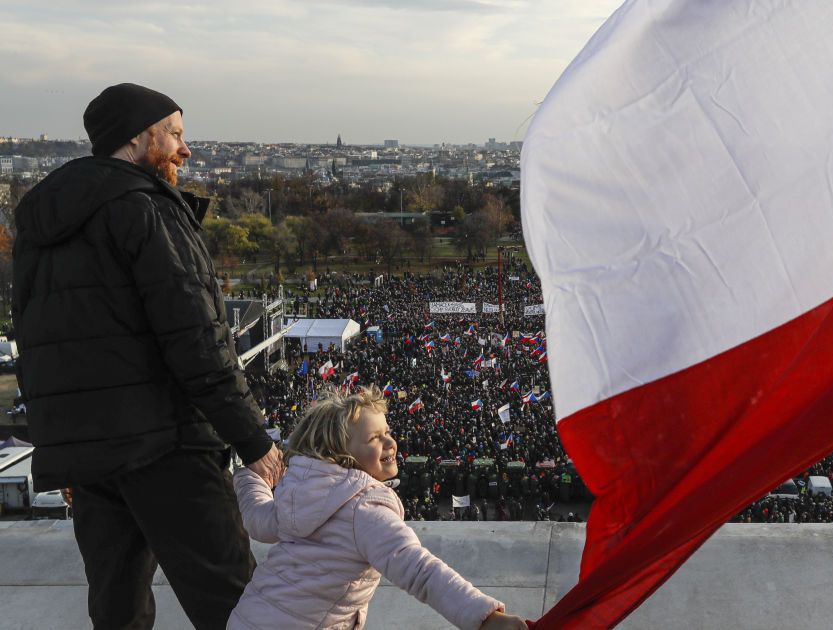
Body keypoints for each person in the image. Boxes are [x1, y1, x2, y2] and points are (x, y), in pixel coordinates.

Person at [11, 83, 285, 629]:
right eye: (176, 135)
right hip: (166, 442)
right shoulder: (144, 208)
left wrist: (68, 446)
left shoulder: (41, 223)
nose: (187, 150)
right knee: (237, 605)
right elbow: (198, 337)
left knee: (117, 607)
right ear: (137, 138)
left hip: (93, 454)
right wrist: (254, 441)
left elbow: (40, 347)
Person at [230, 386, 527, 630]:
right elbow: (420, 570)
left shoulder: (297, 492)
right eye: (375, 438)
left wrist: (248, 476)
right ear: (340, 452)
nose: (390, 442)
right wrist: (484, 618)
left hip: (248, 619)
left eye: (387, 432)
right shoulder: (364, 506)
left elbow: (258, 518)